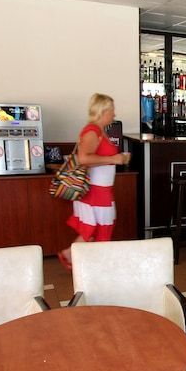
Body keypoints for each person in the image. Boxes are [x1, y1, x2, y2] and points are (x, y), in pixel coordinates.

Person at [58, 93, 130, 269]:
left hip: (99, 190)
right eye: (112, 109)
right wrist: (114, 159)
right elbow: (84, 158)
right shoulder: (92, 131)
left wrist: (116, 159)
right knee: (100, 227)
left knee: (95, 227)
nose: (114, 113)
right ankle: (92, 264)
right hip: (95, 191)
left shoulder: (98, 131)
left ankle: (73, 256)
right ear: (103, 111)